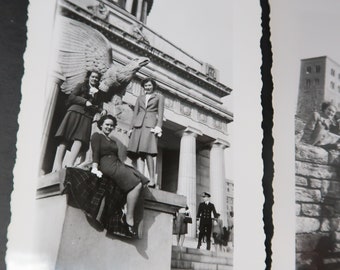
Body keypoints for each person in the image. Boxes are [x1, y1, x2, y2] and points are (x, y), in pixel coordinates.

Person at [90, 115, 149, 237]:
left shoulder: (112, 140)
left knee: (142, 179)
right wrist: (95, 167)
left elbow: (117, 156)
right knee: (136, 184)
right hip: (106, 164)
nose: (109, 127)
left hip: (116, 163)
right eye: (107, 124)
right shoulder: (97, 136)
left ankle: (127, 206)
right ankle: (129, 218)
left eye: (111, 125)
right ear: (101, 124)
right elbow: (95, 152)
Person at [53, 70, 107, 171]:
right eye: (93, 77)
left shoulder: (99, 93)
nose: (95, 79)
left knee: (80, 139)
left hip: (87, 116)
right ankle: (57, 166)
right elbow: (72, 97)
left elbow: (98, 106)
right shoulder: (81, 85)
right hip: (74, 112)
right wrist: (84, 101)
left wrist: (102, 110)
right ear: (89, 77)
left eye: (97, 78)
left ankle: (70, 164)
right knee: (65, 137)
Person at [127, 77, 164, 188]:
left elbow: (161, 113)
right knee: (138, 152)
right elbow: (135, 113)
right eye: (146, 85)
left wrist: (158, 126)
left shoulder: (159, 97)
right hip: (138, 125)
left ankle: (152, 179)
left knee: (148, 152)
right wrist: (130, 128)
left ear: (153, 86)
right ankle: (140, 176)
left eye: (149, 85)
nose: (147, 87)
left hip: (150, 126)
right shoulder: (140, 98)